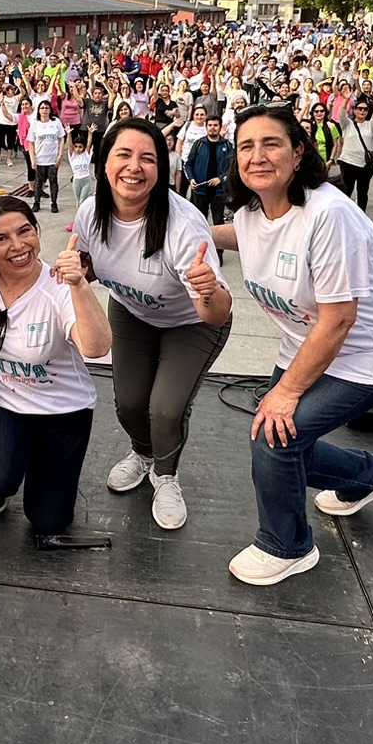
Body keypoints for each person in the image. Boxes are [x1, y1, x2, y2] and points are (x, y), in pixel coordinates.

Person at [209, 105, 373, 585]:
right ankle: (367, 477)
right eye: (246, 146)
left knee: (274, 438)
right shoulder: (252, 210)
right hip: (310, 341)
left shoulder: (329, 215)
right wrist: (185, 236)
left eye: (271, 144)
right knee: (284, 439)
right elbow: (244, 235)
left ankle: (287, 546)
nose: (257, 156)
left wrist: (286, 392)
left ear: (298, 152)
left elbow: (340, 319)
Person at [70, 117, 233, 530]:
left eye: (148, 158)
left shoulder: (183, 224)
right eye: (123, 154)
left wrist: (208, 290)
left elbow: (216, 313)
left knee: (164, 409)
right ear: (104, 161)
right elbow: (93, 267)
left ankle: (165, 475)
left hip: (191, 322)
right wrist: (77, 270)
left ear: (161, 168)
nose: (134, 167)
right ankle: (143, 454)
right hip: (131, 310)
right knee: (128, 403)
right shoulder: (91, 212)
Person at [0, 196, 113, 545]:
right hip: (4, 406)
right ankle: (2, 475)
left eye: (25, 231)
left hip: (64, 410)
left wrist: (80, 286)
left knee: (49, 522)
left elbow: (96, 347)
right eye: (1, 238)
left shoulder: (59, 287)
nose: (18, 245)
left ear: (37, 231)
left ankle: (41, 466)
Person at [26, 97, 66, 212]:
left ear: (50, 110)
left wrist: (60, 155)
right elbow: (31, 143)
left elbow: (61, 139)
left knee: (53, 181)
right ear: (39, 110)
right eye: (42, 108)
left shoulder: (56, 122)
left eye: (47, 108)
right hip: (40, 159)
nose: (44, 110)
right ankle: (36, 202)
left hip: (52, 159)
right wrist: (33, 159)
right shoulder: (35, 124)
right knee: (38, 182)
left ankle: (54, 203)